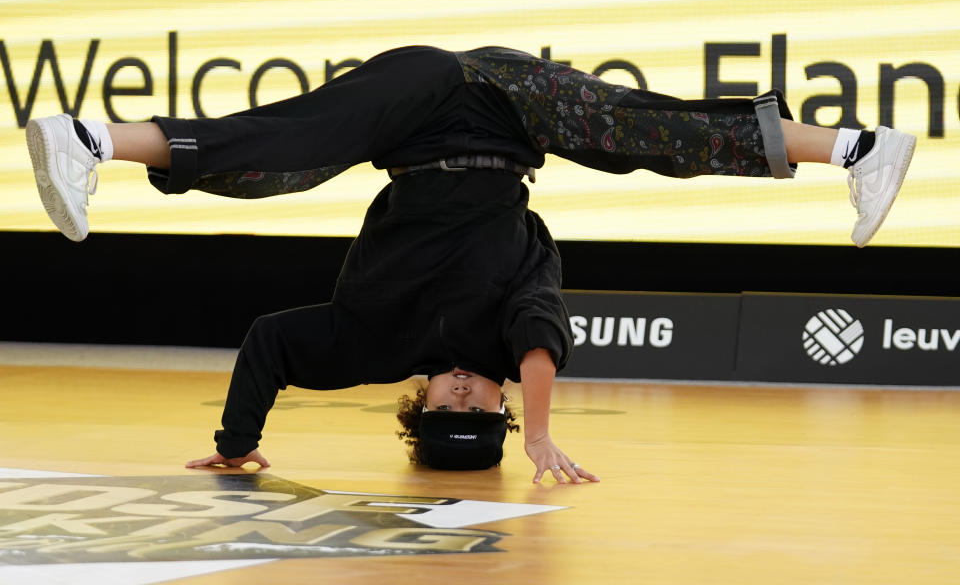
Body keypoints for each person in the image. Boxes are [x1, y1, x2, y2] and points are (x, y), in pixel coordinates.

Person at [25, 45, 915, 484]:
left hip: (412, 120)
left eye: (444, 406)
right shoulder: (507, 339)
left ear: (415, 404)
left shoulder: (367, 348)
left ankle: (89, 138)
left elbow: (269, 344)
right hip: (505, 105)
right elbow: (540, 344)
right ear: (492, 403)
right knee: (653, 138)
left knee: (281, 160)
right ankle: (857, 147)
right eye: (474, 408)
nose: (459, 392)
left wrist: (236, 447)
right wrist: (537, 432)